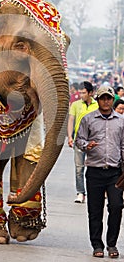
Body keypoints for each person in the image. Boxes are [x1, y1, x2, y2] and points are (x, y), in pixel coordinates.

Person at [75, 85, 124, 258]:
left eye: (109, 98)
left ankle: (112, 244)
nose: (106, 101)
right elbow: (78, 140)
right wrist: (85, 145)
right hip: (95, 171)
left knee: (117, 207)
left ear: (113, 100)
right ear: (98, 100)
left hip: (114, 173)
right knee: (95, 211)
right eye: (102, 98)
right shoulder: (88, 119)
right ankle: (97, 245)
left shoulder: (120, 120)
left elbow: (123, 145)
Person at [67, 81, 98, 203]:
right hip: (79, 140)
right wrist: (70, 136)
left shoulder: (97, 105)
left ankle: (95, 191)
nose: (81, 95)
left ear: (91, 93)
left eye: (84, 93)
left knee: (94, 168)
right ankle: (80, 192)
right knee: (79, 168)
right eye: (80, 93)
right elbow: (71, 120)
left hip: (94, 142)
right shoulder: (75, 104)